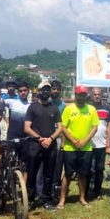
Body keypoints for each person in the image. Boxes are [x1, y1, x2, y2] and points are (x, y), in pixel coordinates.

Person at [57, 85, 99, 209]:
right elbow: (63, 127)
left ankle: (82, 198)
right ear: (75, 95)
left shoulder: (91, 109)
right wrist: (74, 141)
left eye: (83, 95)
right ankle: (62, 199)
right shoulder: (68, 109)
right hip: (70, 148)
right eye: (79, 95)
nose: (81, 97)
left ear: (86, 96)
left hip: (86, 148)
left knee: (83, 174)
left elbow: (94, 127)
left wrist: (85, 141)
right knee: (68, 174)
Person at [24, 81, 63, 210]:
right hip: (35, 145)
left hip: (50, 145)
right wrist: (40, 139)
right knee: (32, 173)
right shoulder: (32, 107)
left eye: (48, 89)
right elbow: (27, 128)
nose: (46, 91)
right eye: (43, 89)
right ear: (39, 91)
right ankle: (29, 200)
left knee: (49, 174)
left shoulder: (54, 108)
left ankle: (46, 199)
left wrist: (51, 139)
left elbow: (60, 128)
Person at [89, 87, 110, 200]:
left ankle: (97, 191)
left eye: (98, 94)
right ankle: (86, 190)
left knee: (99, 168)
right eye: (94, 94)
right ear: (91, 95)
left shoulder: (107, 109)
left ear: (101, 95)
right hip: (88, 143)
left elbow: (109, 127)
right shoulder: (87, 108)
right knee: (87, 168)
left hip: (101, 144)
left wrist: (108, 143)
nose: (96, 96)